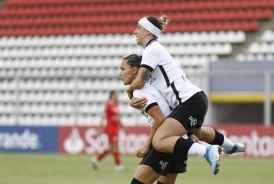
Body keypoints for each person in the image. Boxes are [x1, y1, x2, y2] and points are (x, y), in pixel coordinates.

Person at [127, 15, 245, 175]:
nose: (135, 31)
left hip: (189, 102)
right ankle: (231, 146)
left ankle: (207, 151)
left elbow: (139, 82)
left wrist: (129, 92)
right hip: (196, 98)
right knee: (198, 133)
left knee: (159, 140)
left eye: (138, 28)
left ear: (148, 31)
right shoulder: (155, 52)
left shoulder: (152, 48)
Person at [120, 54, 217, 184]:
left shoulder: (140, 91)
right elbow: (173, 109)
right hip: (177, 140)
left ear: (134, 70)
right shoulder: (153, 86)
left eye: (122, 69)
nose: (119, 73)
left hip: (167, 142)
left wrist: (147, 145)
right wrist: (188, 133)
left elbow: (159, 119)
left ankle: (207, 150)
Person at [91, 90, 127, 171]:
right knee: (115, 147)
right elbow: (103, 117)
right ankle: (118, 166)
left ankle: (96, 160)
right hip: (110, 129)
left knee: (111, 148)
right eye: (115, 95)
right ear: (111, 96)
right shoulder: (108, 105)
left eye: (117, 95)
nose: (117, 97)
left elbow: (118, 117)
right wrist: (100, 129)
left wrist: (123, 126)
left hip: (116, 128)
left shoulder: (116, 104)